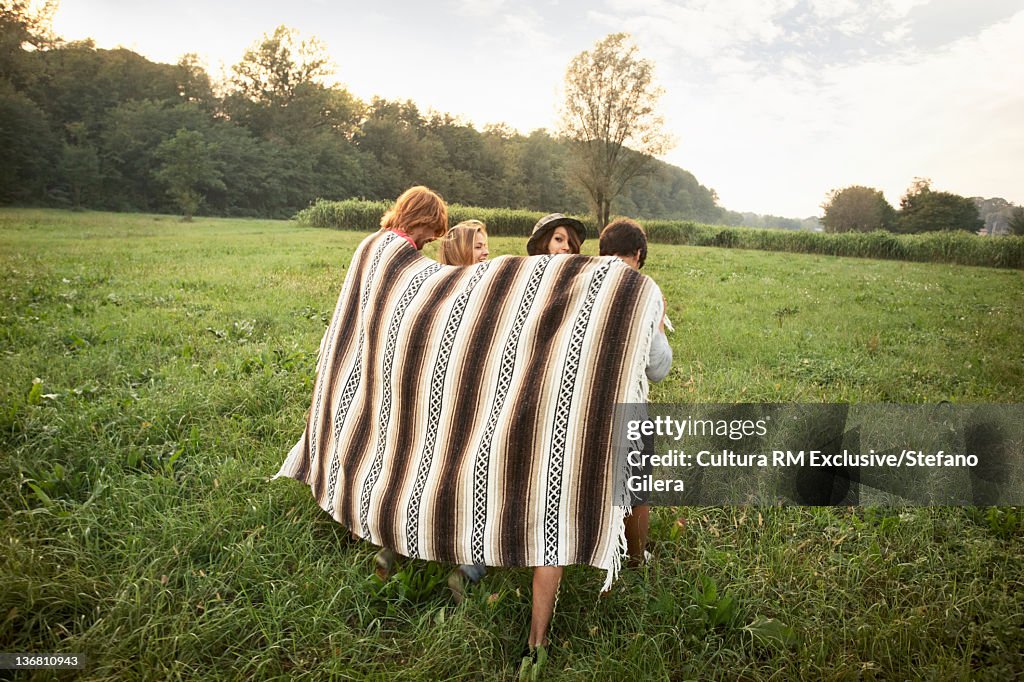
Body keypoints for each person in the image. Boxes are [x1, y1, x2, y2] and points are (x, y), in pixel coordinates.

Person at [599, 218, 673, 564]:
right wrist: (659, 324)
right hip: (626, 402)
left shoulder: (585, 282)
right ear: (639, 254)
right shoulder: (646, 291)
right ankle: (635, 556)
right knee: (636, 487)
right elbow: (657, 369)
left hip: (581, 400)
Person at [437, 218, 492, 601]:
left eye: (486, 244)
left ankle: (470, 565)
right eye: (477, 245)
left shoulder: (490, 285)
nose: (485, 251)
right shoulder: (445, 288)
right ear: (459, 251)